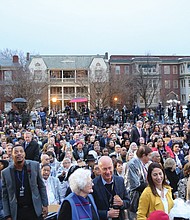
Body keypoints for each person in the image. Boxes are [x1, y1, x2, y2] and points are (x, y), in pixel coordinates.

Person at [2, 144, 48, 220]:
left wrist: (45, 205)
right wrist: (7, 215)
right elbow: (5, 196)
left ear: (24, 153)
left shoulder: (34, 166)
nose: (19, 153)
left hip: (34, 209)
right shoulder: (5, 173)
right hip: (17, 212)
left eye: (21, 151)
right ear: (11, 155)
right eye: (16, 152)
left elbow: (41, 186)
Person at [92, 156, 130, 220]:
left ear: (113, 167)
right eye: (104, 169)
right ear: (99, 169)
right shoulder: (94, 184)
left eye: (110, 168)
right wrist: (107, 214)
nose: (108, 172)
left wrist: (122, 203)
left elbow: (128, 202)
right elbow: (92, 211)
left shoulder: (120, 180)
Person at [127, 145, 152, 219]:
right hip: (134, 198)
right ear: (144, 155)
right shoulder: (133, 164)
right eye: (149, 156)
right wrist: (151, 184)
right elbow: (136, 185)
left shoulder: (144, 164)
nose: (150, 158)